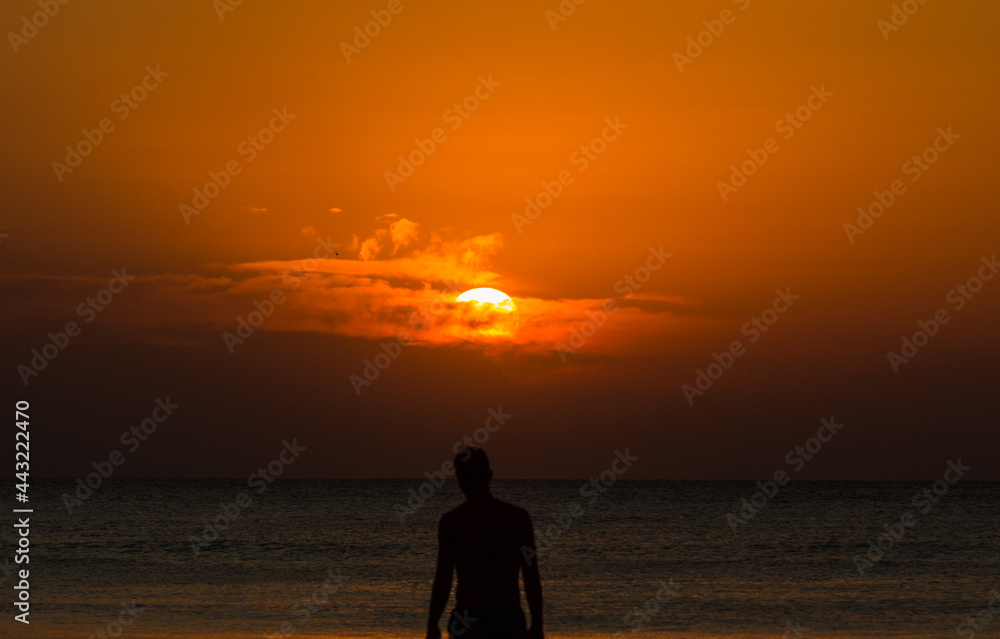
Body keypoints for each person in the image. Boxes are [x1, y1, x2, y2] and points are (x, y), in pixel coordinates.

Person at [426, 447, 543, 639]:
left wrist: (432, 624)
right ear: (489, 475)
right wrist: (537, 624)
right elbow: (531, 577)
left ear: (460, 478)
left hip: (467, 618)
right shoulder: (518, 519)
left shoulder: (452, 522)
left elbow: (443, 578)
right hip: (508, 617)